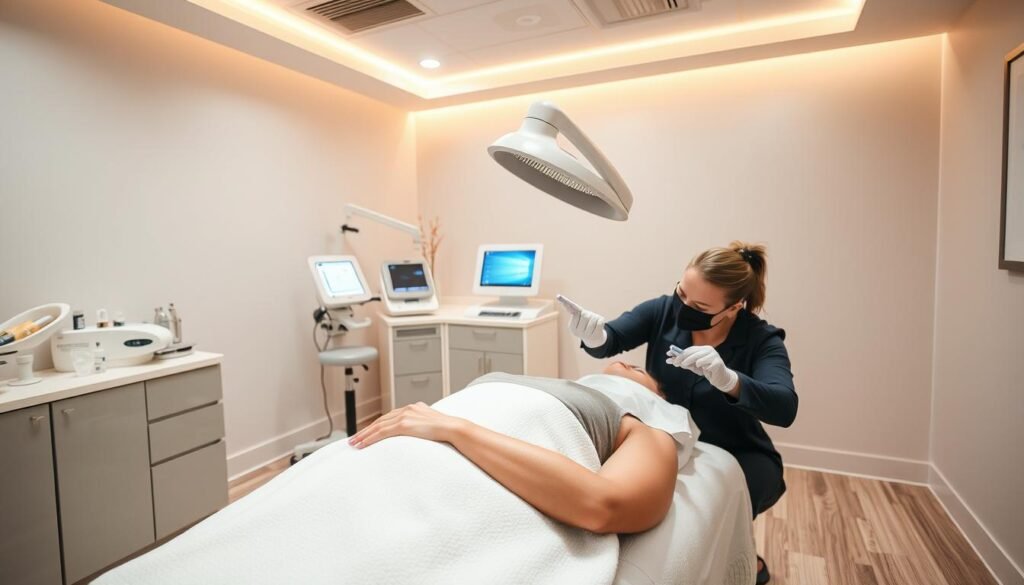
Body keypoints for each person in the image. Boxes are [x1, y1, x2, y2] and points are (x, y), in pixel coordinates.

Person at [560, 241, 796, 585]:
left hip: (736, 449)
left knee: (709, 521)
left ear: (734, 308)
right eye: (682, 293)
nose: (683, 307)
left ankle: (741, 558)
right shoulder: (664, 310)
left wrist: (730, 381)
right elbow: (612, 338)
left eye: (699, 305)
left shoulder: (761, 340)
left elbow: (784, 406)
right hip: (666, 436)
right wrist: (595, 336)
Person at [349, 361, 683, 535]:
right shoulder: (556, 384)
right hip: (390, 450)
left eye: (638, 369)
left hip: (444, 457)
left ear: (655, 398)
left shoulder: (645, 426)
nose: (624, 362)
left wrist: (455, 428)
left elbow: (604, 505)